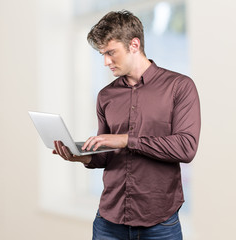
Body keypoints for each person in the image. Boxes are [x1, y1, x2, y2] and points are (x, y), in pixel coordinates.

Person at [53, 10, 201, 240]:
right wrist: (81, 156)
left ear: (134, 44)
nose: (105, 62)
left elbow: (186, 148)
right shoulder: (106, 96)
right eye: (102, 54)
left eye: (111, 53)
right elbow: (106, 155)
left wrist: (126, 139)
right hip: (108, 221)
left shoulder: (180, 87)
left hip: (160, 223)